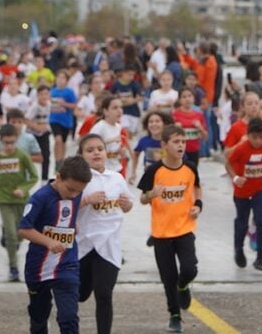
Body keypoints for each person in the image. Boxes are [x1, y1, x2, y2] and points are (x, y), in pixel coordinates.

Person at [137, 125, 202, 333]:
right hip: (161, 233)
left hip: (184, 229)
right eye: (176, 142)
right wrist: (152, 194)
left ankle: (183, 286)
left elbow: (197, 188)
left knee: (190, 268)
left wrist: (198, 206)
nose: (181, 145)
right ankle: (174, 315)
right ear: (164, 145)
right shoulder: (154, 170)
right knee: (168, 278)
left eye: (183, 142)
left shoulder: (190, 168)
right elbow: (142, 199)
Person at [18, 155, 92, 334]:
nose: (74, 194)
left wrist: (73, 224)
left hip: (67, 264)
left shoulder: (76, 192)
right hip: (38, 267)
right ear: (58, 177)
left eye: (78, 191)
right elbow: (23, 229)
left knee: (69, 317)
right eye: (70, 189)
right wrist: (49, 241)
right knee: (39, 315)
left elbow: (69, 211)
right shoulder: (40, 198)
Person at [76, 134, 133, 334]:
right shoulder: (78, 180)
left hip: (109, 246)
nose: (96, 153)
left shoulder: (116, 178)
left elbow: (128, 204)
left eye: (99, 148)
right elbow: (63, 208)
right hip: (83, 246)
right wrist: (85, 200)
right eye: (90, 150)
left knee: (104, 294)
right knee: (80, 295)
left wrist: (127, 205)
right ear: (81, 155)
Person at [0, 123, 38, 282]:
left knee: (20, 234)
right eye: (6, 142)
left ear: (16, 140)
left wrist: (23, 188)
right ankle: (13, 267)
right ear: (1, 141)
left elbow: (34, 177)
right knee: (11, 234)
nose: (9, 146)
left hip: (21, 200)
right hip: (4, 199)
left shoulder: (22, 156)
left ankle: (8, 236)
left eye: (12, 142)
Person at [227, 117, 262, 271]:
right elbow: (227, 163)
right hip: (242, 192)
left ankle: (260, 257)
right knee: (242, 222)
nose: (258, 141)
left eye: (261, 137)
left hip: (260, 189)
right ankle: (238, 249)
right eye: (254, 138)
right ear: (248, 135)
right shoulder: (241, 148)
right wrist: (235, 178)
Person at [91, 96, 131, 176]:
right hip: (101, 169)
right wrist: (111, 140)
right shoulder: (99, 127)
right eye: (115, 108)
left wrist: (121, 150)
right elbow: (90, 145)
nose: (119, 111)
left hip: (116, 167)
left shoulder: (118, 127)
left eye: (121, 107)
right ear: (106, 111)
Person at [131, 111, 173, 185]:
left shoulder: (171, 141)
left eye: (157, 121)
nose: (154, 124)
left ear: (165, 124)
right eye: (151, 122)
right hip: (149, 178)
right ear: (147, 125)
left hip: (168, 178)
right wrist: (133, 172)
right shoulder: (144, 141)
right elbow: (135, 153)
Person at [49, 70, 78, 172]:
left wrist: (64, 103)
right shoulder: (52, 91)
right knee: (58, 140)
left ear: (66, 81)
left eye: (63, 78)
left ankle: (61, 161)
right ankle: (56, 161)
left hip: (66, 121)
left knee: (63, 142)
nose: (60, 80)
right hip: (53, 119)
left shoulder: (69, 92)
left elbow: (74, 105)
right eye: (58, 77)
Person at [172, 87, 208, 167]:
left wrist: (200, 128)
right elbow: (167, 135)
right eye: (184, 97)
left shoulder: (199, 115)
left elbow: (205, 137)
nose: (187, 99)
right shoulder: (175, 115)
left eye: (189, 96)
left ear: (194, 98)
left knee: (192, 174)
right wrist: (175, 129)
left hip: (194, 150)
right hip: (178, 151)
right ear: (179, 100)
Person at [26, 85, 52, 180]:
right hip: (32, 134)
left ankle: (44, 178)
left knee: (46, 155)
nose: (44, 96)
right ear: (37, 96)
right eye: (41, 94)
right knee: (31, 155)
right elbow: (26, 120)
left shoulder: (49, 104)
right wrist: (37, 127)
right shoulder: (34, 107)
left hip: (44, 133)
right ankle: (28, 176)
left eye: (46, 94)